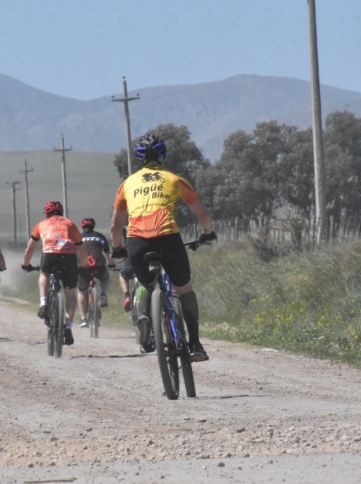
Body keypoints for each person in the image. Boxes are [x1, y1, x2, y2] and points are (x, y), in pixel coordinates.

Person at [110, 133, 216, 361]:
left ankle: (143, 316)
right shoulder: (175, 180)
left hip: (137, 241)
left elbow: (116, 225)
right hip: (168, 238)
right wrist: (208, 234)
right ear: (163, 155)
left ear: (139, 159)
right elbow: (203, 214)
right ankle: (195, 344)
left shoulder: (127, 184)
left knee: (146, 284)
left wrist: (117, 248)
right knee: (184, 289)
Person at [21, 200, 85, 346]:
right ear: (61, 212)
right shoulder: (70, 224)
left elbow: (29, 249)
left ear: (47, 213)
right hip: (69, 258)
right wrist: (85, 265)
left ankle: (43, 303)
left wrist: (25, 264)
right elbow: (81, 248)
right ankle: (68, 326)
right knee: (70, 295)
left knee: (44, 273)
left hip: (49, 255)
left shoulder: (41, 224)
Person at [76, 217, 111, 328]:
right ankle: (104, 295)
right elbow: (107, 252)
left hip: (83, 267)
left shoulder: (78, 238)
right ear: (93, 226)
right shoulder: (100, 236)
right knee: (105, 278)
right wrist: (111, 263)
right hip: (98, 266)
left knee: (81, 291)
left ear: (82, 227)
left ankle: (83, 319)